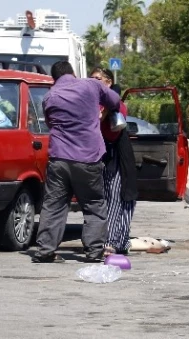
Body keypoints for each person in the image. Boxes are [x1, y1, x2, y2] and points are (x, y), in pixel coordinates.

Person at [32, 61, 122, 263]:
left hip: (59, 159)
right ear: (73, 72)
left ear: (54, 78)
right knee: (93, 205)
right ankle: (94, 252)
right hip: (88, 158)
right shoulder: (91, 85)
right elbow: (115, 101)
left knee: (53, 206)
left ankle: (45, 251)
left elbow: (49, 123)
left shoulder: (49, 97)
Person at [90, 67, 138, 255]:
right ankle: (111, 239)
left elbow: (113, 129)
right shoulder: (92, 103)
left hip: (116, 155)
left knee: (117, 198)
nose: (94, 82)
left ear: (108, 82)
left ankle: (114, 241)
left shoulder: (117, 106)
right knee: (103, 198)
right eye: (91, 79)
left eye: (98, 79)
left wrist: (108, 105)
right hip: (97, 155)